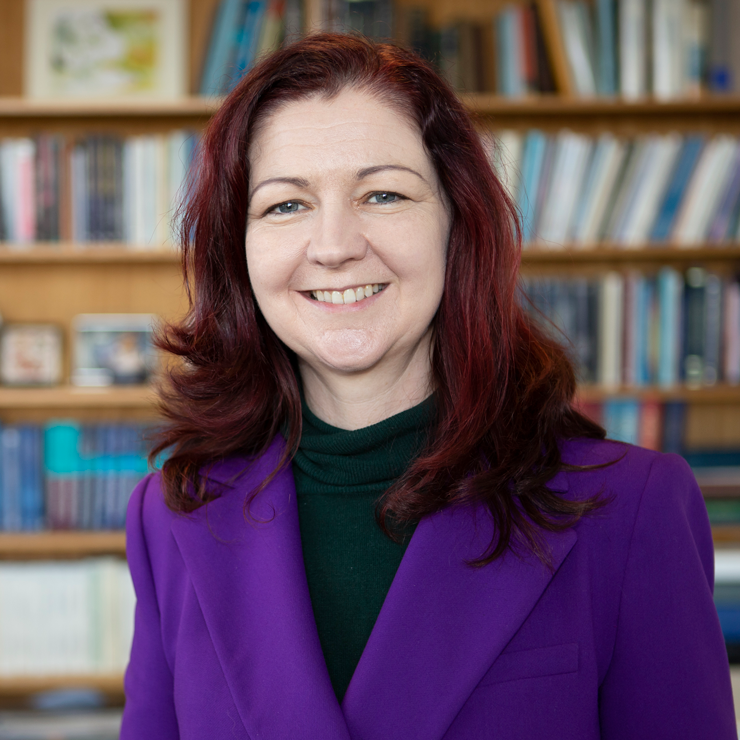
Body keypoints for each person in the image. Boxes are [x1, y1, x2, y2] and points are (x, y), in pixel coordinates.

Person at [120, 34, 737, 739]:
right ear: (240, 250)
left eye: (382, 194)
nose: (334, 244)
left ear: (457, 223)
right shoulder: (171, 517)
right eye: (285, 206)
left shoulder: (631, 509)